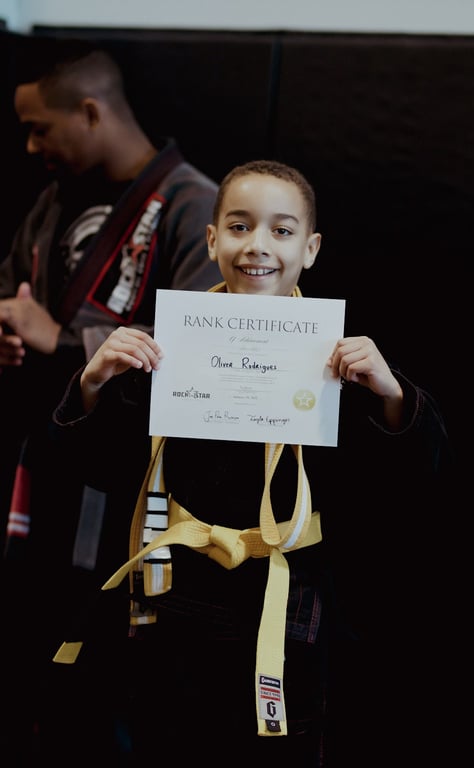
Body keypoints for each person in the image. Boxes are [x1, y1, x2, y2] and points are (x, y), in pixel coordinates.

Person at [45, 159, 451, 766]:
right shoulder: (163, 352)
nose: (258, 245)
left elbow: (414, 482)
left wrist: (392, 397)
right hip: (172, 612)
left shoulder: (342, 364)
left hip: (285, 620)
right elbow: (91, 469)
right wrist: (92, 382)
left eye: (282, 231)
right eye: (239, 226)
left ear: (310, 249)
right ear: (212, 240)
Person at [0, 40, 221, 766]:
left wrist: (63, 341)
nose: (31, 146)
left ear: (91, 112)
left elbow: (200, 346)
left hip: (135, 493)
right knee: (42, 679)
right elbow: (12, 292)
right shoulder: (55, 199)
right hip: (47, 471)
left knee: (116, 688)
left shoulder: (194, 204)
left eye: (40, 128)